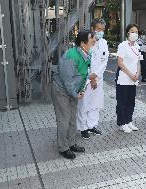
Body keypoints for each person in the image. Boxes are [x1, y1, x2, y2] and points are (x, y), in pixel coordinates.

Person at [51, 31, 97, 159]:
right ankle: (63, 147)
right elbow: (67, 79)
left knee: (72, 119)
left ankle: (71, 144)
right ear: (82, 43)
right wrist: (76, 94)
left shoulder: (87, 54)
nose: (94, 42)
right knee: (64, 119)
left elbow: (83, 74)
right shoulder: (71, 55)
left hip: (73, 91)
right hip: (61, 90)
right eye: (92, 40)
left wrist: (81, 90)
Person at [77, 18, 109, 139]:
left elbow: (104, 61)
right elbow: (84, 61)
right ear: (92, 29)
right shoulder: (86, 42)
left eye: (103, 29)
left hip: (98, 79)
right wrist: (92, 77)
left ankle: (92, 125)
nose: (101, 31)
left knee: (95, 103)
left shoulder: (104, 43)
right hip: (86, 79)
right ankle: (83, 128)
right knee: (84, 103)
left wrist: (97, 76)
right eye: (99, 29)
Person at [115, 24, 141, 133]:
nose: (134, 33)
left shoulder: (137, 46)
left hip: (133, 79)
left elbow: (138, 62)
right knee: (122, 101)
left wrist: (137, 74)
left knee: (131, 101)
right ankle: (122, 123)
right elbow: (119, 62)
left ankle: (129, 121)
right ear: (127, 33)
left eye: (136, 31)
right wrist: (130, 74)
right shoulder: (123, 45)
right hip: (124, 78)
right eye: (132, 31)